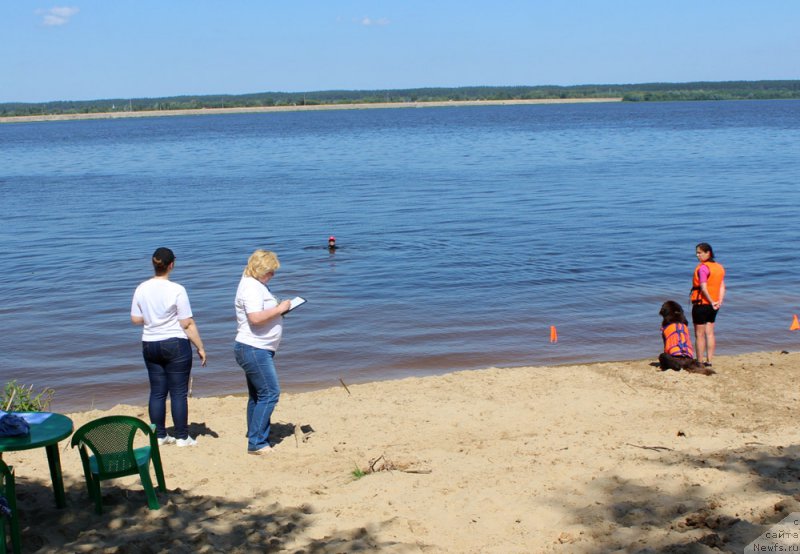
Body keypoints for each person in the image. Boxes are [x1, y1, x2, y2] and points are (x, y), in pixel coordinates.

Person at [131, 247, 206, 447]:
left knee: (157, 392)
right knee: (178, 392)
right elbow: (187, 323)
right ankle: (182, 436)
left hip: (150, 343)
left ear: (153, 264)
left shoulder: (141, 288)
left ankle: (159, 435)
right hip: (175, 344)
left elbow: (136, 319)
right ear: (171, 265)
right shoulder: (177, 289)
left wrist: (151, 316)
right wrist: (200, 347)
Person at [233, 249, 292, 455]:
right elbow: (255, 318)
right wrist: (280, 309)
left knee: (258, 395)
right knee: (270, 393)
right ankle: (257, 442)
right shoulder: (251, 287)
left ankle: (254, 434)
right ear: (259, 270)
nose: (272, 276)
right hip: (253, 347)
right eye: (270, 272)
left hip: (257, 347)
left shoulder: (255, 284)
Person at [690, 242, 726, 368]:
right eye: (697, 253)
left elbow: (703, 287)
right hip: (714, 306)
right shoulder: (719, 267)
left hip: (702, 304)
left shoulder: (703, 268)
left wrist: (711, 301)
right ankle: (709, 360)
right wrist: (719, 301)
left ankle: (700, 361)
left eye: (700, 253)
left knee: (699, 334)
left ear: (707, 253)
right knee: (710, 333)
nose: (697, 255)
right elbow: (722, 286)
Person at [658, 300, 712, 374]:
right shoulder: (684, 326)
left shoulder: (667, 326)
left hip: (676, 359)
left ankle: (674, 366)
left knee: (662, 356)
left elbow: (666, 345)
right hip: (688, 358)